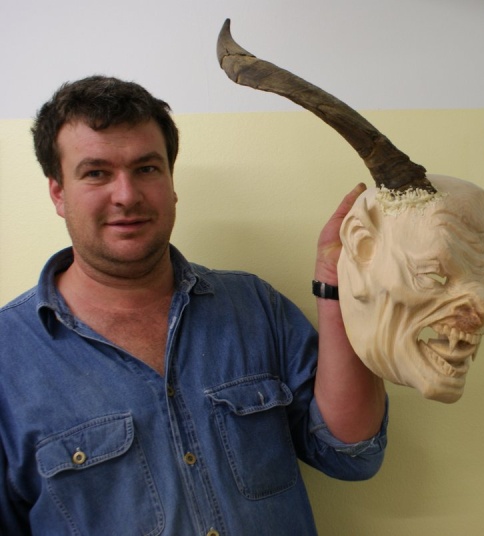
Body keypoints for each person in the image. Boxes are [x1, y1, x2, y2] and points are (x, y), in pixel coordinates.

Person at [0, 75, 387, 536]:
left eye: (147, 168)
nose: (127, 195)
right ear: (58, 193)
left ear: (171, 182)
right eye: (96, 173)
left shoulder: (253, 305)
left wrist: (338, 288)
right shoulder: (8, 358)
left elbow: (352, 454)